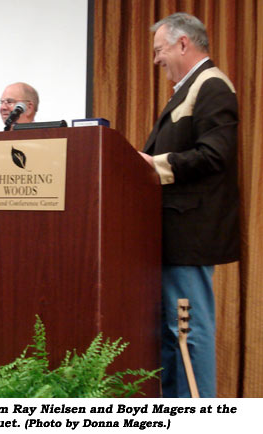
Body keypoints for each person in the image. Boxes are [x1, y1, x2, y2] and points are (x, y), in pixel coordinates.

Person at [139, 13, 240, 398]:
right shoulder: (189, 87)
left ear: (184, 44)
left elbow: (215, 155)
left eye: (159, 50)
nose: (156, 59)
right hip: (172, 235)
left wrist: (155, 164)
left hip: (191, 235)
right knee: (172, 333)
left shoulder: (212, 85)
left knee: (189, 333)